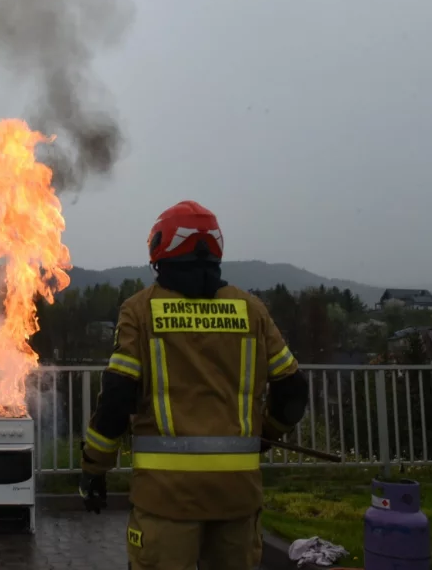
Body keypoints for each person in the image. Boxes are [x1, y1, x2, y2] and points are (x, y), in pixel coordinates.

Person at [78, 200, 309, 570]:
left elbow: (117, 399)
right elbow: (293, 389)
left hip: (166, 500)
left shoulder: (140, 310)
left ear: (159, 247)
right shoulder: (252, 310)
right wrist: (265, 434)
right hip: (237, 498)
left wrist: (94, 466)